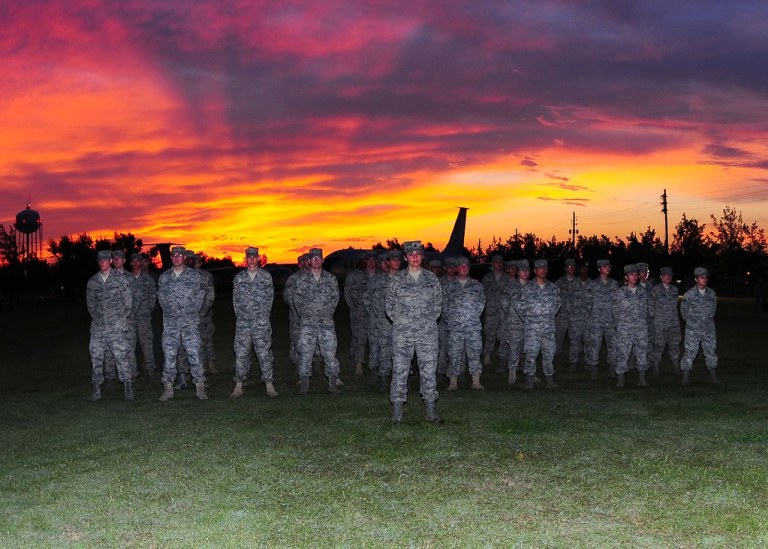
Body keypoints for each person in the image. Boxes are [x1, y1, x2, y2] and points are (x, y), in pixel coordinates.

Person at [386, 240, 443, 424]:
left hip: (427, 334)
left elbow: (437, 306)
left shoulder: (431, 279)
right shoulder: (397, 280)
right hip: (403, 334)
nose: (415, 257)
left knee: (428, 371)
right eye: (411, 254)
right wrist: (404, 322)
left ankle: (431, 411)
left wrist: (424, 322)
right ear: (405, 257)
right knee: (400, 371)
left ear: (422, 257)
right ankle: (396, 412)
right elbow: (390, 308)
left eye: (418, 254)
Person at [157, 246, 207, 401]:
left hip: (189, 323)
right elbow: (161, 299)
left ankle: (200, 388)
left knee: (194, 355)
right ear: (171, 258)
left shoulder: (194, 276)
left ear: (184, 257)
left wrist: (190, 313)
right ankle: (168, 389)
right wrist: (171, 313)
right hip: (171, 324)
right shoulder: (164, 277)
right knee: (169, 357)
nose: (176, 258)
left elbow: (200, 296)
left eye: (179, 255)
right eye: (174, 255)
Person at [86, 250, 134, 401]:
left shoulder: (120, 280)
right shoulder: (93, 281)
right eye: (100, 260)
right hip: (98, 328)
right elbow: (90, 305)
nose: (102, 262)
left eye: (105, 259)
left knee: (121, 357)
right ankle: (96, 389)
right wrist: (99, 319)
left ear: (111, 261)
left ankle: (128, 388)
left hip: (116, 328)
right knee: (96, 357)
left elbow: (128, 303)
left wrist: (119, 319)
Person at [231, 247, 278, 398]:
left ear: (258, 258)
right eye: (249, 256)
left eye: (254, 256)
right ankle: (239, 384)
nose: (251, 259)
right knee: (241, 354)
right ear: (246, 259)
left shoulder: (266, 277)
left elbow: (270, 298)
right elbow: (236, 301)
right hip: (243, 323)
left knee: (264, 353)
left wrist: (264, 316)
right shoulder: (239, 278)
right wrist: (242, 317)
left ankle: (269, 384)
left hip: (261, 322)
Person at [294, 248, 342, 394]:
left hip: (326, 323)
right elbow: (297, 300)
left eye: (318, 258)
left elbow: (335, 299)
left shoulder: (331, 279)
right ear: (309, 261)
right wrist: (306, 316)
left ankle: (332, 384)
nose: (316, 260)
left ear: (322, 260)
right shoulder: (301, 280)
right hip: (308, 324)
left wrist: (326, 314)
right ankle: (304, 385)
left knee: (329, 353)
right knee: (306, 353)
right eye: (313, 258)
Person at [443, 257, 486, 390]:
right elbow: (443, 305)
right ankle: (453, 383)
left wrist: (472, 315)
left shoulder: (477, 285)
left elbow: (481, 302)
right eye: (461, 266)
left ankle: (476, 382)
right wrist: (451, 318)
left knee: (474, 353)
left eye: (466, 266)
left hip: (472, 326)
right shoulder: (449, 287)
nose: (464, 268)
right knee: (454, 354)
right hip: (455, 327)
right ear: (456, 268)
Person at [520, 259, 561, 389]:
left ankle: (549, 381)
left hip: (548, 328)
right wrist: (530, 319)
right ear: (535, 271)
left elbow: (557, 305)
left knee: (549, 354)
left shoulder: (553, 288)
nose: (543, 270)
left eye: (545, 268)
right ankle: (529, 381)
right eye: (540, 268)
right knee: (531, 354)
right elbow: (520, 306)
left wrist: (546, 316)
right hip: (532, 328)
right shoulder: (527, 288)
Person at [679, 267, 719, 385]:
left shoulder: (711, 293)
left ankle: (713, 376)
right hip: (693, 329)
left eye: (706, 277)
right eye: (702, 277)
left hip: (708, 328)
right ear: (696, 279)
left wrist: (706, 321)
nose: (704, 279)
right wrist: (693, 322)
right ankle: (685, 377)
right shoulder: (689, 294)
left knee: (711, 351)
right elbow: (683, 311)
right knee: (690, 351)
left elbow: (713, 310)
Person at [613, 264, 650, 388]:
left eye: (636, 274)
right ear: (626, 277)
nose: (634, 277)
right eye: (631, 275)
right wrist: (621, 325)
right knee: (623, 353)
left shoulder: (643, 292)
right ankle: (620, 381)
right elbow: (615, 311)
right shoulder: (620, 292)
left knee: (642, 353)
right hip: (625, 328)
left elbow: (646, 310)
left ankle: (642, 380)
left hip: (641, 328)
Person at [585, 259, 618, 380]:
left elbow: (617, 302)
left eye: (609, 266)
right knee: (594, 346)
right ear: (599, 269)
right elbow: (588, 303)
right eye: (604, 266)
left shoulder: (614, 284)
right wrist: (594, 315)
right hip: (596, 321)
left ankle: (612, 370)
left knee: (613, 346)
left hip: (611, 321)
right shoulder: (592, 285)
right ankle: (593, 371)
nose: (607, 268)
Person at [345, 251, 376, 376]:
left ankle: (375, 365)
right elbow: (347, 292)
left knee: (376, 340)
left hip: (376, 314)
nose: (371, 262)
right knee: (359, 339)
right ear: (365, 261)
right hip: (359, 313)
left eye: (374, 260)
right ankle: (358, 363)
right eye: (369, 260)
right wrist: (353, 308)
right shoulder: (355, 275)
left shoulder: (380, 275)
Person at [499, 259, 529, 385]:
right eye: (522, 270)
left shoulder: (533, 287)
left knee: (529, 349)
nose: (525, 273)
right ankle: (512, 373)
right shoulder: (510, 286)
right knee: (514, 348)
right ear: (518, 272)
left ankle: (529, 371)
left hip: (530, 324)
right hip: (514, 323)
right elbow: (504, 303)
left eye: (527, 270)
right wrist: (513, 314)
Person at [648, 267, 681, 377]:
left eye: (670, 275)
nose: (668, 277)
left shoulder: (675, 290)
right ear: (661, 277)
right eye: (666, 275)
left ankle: (676, 367)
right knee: (658, 346)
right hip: (660, 325)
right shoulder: (655, 290)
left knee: (675, 346)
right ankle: (656, 368)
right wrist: (656, 319)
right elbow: (651, 306)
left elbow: (675, 306)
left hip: (673, 324)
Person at [130, 252, 157, 376]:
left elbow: (153, 295)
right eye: (133, 261)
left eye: (138, 261)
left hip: (144, 317)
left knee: (147, 344)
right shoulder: (126, 279)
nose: (136, 263)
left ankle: (150, 369)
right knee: (130, 345)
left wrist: (147, 309)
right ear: (130, 263)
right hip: (130, 318)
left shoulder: (148, 279)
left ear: (141, 263)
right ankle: (133, 371)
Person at [194, 254, 219, 375]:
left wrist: (203, 312)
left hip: (205, 315)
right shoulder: (186, 275)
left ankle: (210, 364)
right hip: (190, 316)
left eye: (198, 262)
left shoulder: (206, 276)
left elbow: (210, 296)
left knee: (207, 341)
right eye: (194, 262)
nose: (196, 264)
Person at [566, 261, 591, 371]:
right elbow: (567, 301)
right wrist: (571, 314)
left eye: (586, 269)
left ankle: (587, 362)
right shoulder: (572, 284)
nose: (584, 271)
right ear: (578, 271)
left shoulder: (592, 284)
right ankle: (573, 362)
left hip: (588, 319)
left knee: (588, 342)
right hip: (575, 319)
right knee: (574, 342)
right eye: (582, 269)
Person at [481, 254, 505, 365]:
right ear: (492, 264)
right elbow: (482, 294)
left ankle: (502, 357)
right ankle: (487, 355)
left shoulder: (507, 278)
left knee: (503, 335)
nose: (498, 264)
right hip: (491, 312)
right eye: (496, 262)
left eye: (500, 262)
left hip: (504, 312)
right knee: (489, 334)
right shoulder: (487, 278)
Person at [554, 258, 577, 357]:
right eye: (569, 267)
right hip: (561, 316)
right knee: (558, 338)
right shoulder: (559, 283)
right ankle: (555, 357)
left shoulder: (579, 282)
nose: (571, 268)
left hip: (575, 316)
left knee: (575, 339)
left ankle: (574, 360)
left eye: (573, 267)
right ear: (565, 268)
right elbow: (554, 299)